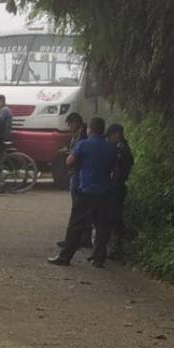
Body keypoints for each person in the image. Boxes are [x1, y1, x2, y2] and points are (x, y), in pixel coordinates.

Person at [48, 117, 117, 268]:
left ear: (89, 129)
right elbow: (113, 166)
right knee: (102, 226)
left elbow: (70, 161)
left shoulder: (84, 144)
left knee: (76, 225)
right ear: (103, 130)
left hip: (86, 190)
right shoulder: (110, 147)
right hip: (105, 192)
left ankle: (65, 257)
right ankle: (98, 258)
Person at [56, 112, 92, 249]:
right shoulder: (79, 134)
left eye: (70, 124)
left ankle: (76, 240)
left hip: (77, 173)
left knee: (78, 208)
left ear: (75, 122)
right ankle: (83, 238)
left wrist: (69, 154)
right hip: (76, 173)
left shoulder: (81, 136)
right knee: (81, 208)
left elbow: (77, 153)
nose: (69, 127)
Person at [106, 123, 134, 261]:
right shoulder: (123, 147)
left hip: (116, 188)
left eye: (111, 136)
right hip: (118, 187)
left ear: (116, 134)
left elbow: (118, 170)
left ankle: (116, 249)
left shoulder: (120, 149)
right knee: (114, 217)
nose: (109, 139)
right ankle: (115, 247)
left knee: (114, 217)